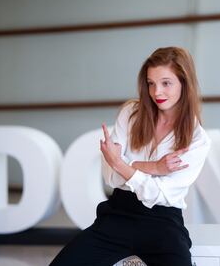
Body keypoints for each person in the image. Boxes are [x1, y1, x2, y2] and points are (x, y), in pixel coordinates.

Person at [50, 46, 211, 266]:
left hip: (163, 223)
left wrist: (120, 163)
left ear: (185, 82)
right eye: (151, 83)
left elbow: (160, 194)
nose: (157, 93)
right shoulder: (131, 113)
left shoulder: (197, 139)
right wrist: (153, 167)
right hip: (118, 215)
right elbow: (111, 177)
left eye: (166, 83)